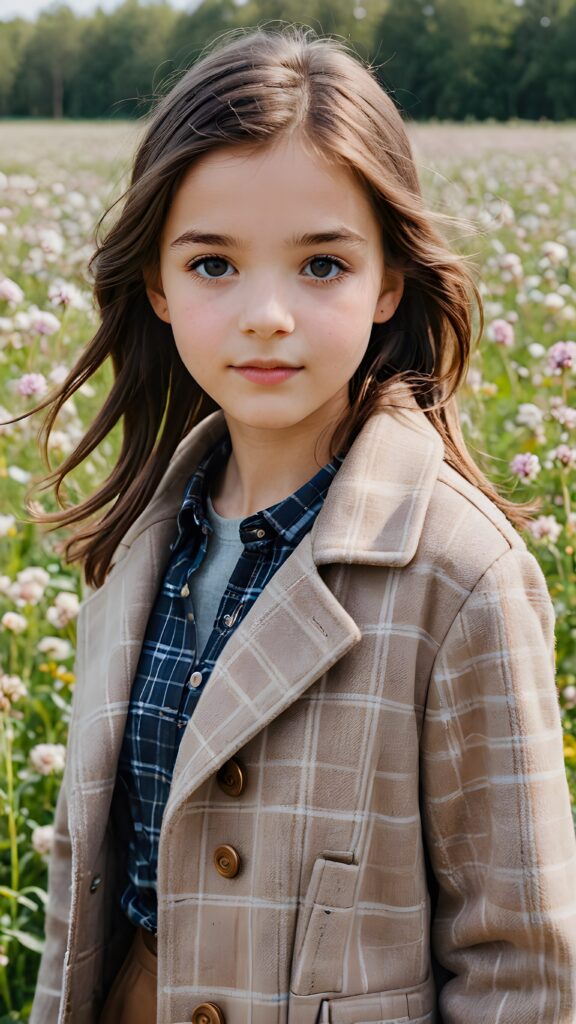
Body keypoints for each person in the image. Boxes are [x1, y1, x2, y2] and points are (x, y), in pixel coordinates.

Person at [17, 23, 575, 1024]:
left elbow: (522, 965)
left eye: (320, 265)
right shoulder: (135, 540)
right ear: (155, 284)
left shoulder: (459, 574)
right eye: (213, 265)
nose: (265, 312)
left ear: (388, 282)